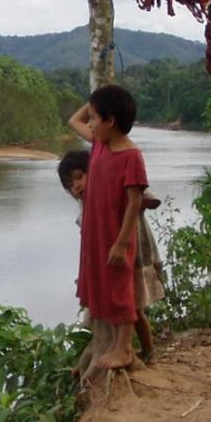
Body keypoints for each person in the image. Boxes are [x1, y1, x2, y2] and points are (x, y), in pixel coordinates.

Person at [66, 84, 149, 380]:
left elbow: (135, 202)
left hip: (116, 237)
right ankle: (112, 345)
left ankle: (124, 348)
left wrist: (121, 242)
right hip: (96, 233)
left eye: (95, 118)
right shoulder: (100, 144)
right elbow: (73, 121)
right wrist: (97, 99)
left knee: (120, 289)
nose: (90, 123)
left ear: (110, 121)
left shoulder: (131, 156)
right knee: (101, 285)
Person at [56, 149, 165, 363]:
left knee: (135, 308)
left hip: (134, 259)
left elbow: (146, 198)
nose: (76, 186)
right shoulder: (85, 212)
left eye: (80, 177)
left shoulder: (115, 191)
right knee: (123, 309)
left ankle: (147, 351)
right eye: (70, 185)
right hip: (109, 266)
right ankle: (128, 349)